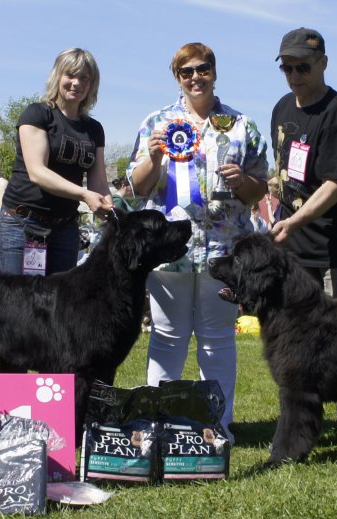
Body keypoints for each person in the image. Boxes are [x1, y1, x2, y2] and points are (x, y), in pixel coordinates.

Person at [127, 42, 269, 440]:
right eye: (186, 71)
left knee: (218, 340)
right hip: (169, 251)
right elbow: (137, 188)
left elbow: (260, 189)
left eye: (202, 69)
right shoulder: (156, 122)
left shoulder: (242, 125)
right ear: (177, 77)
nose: (195, 77)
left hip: (224, 253)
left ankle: (217, 427)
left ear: (214, 72)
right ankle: (156, 424)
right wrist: (155, 158)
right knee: (166, 337)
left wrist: (243, 181)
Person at [269, 28, 337, 457]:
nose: (295, 76)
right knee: (297, 345)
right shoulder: (281, 109)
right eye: (287, 68)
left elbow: (334, 184)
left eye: (303, 67)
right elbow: (285, 172)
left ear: (323, 64)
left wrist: (293, 220)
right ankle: (298, 433)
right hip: (298, 247)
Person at [0, 48, 113, 276]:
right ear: (58, 76)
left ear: (92, 84)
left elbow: (98, 181)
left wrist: (110, 208)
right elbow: (37, 172)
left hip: (65, 228)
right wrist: (84, 195)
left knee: (61, 298)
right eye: (70, 75)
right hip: (23, 223)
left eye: (84, 78)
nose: (76, 83)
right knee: (20, 297)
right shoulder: (37, 114)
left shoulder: (94, 129)